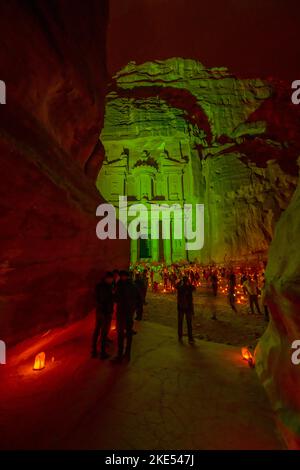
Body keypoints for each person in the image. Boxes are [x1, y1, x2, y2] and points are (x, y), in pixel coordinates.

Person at [113, 270, 138, 362]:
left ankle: (120, 355)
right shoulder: (133, 285)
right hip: (129, 313)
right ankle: (127, 354)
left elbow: (117, 298)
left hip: (122, 312)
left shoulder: (120, 285)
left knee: (120, 334)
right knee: (128, 334)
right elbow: (139, 299)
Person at [91, 272, 115, 359]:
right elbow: (105, 299)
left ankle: (94, 350)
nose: (111, 280)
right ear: (106, 278)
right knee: (103, 332)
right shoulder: (106, 287)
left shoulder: (100, 286)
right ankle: (102, 352)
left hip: (100, 311)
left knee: (97, 330)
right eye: (110, 278)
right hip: (105, 312)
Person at [176, 276, 195, 344]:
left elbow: (176, 286)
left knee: (180, 322)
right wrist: (189, 283)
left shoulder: (180, 288)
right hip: (188, 308)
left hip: (181, 307)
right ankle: (190, 338)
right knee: (189, 323)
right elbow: (194, 288)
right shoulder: (189, 287)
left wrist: (180, 282)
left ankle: (180, 336)